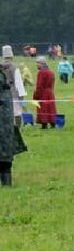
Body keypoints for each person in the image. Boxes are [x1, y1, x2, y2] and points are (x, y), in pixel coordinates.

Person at [0, 46, 27, 187]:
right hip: (10, 99)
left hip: (6, 101)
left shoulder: (3, 69)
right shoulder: (13, 68)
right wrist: (22, 96)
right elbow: (19, 84)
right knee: (16, 116)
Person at [33, 56, 57, 129]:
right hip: (50, 92)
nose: (37, 65)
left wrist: (36, 95)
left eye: (38, 63)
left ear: (42, 63)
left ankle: (44, 124)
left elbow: (39, 85)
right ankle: (53, 123)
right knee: (51, 109)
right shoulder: (51, 72)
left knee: (43, 108)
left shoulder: (41, 72)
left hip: (43, 93)